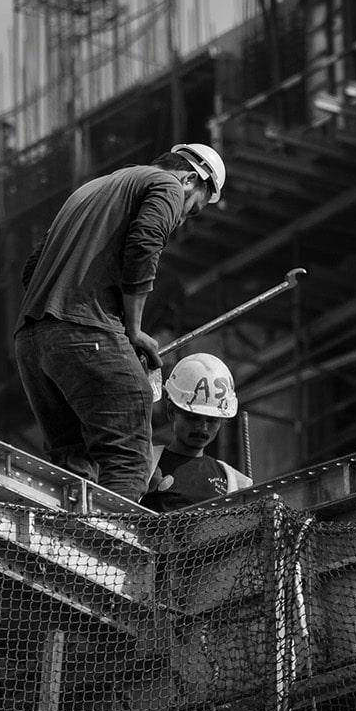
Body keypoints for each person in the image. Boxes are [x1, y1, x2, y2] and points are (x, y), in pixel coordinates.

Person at [14, 142, 227, 502]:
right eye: (192, 210)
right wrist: (133, 331)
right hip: (84, 329)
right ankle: (113, 554)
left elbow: (32, 270)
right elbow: (144, 245)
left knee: (73, 462)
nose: (183, 218)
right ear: (192, 178)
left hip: (32, 341)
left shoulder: (87, 192)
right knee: (128, 457)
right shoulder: (168, 185)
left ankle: (73, 547)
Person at [143, 352, 252, 512]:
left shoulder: (233, 483)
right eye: (193, 418)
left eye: (212, 420)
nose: (203, 428)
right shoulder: (145, 465)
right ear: (172, 411)